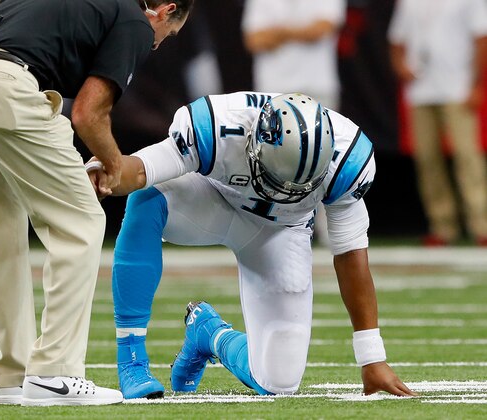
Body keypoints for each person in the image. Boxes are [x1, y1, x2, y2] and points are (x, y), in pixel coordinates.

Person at [0, 0, 192, 407]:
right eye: (167, 35)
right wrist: (115, 166)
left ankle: (11, 378)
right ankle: (54, 372)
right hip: (3, 86)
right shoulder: (136, 21)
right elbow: (88, 113)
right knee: (81, 221)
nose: (156, 45)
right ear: (163, 10)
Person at [86, 91, 416, 399]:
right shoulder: (217, 126)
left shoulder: (349, 160)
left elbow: (350, 255)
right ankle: (131, 359)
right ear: (254, 144)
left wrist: (372, 356)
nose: (284, 192)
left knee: (279, 381)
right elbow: (142, 169)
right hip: (211, 200)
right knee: (147, 197)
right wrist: (103, 173)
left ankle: (208, 333)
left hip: (282, 230)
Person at [241, 0, 347, 247]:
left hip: (317, 87)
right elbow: (254, 40)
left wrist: (278, 32)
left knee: (329, 161)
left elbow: (322, 28)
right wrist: (299, 31)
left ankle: (330, 230)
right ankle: (272, 228)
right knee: (267, 162)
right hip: (273, 91)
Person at [388, 0, 487, 246]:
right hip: (421, 90)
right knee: (427, 159)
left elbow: (482, 39)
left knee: (467, 156)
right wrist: (401, 66)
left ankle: (481, 224)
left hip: (457, 88)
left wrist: (476, 85)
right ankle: (443, 226)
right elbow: (396, 39)